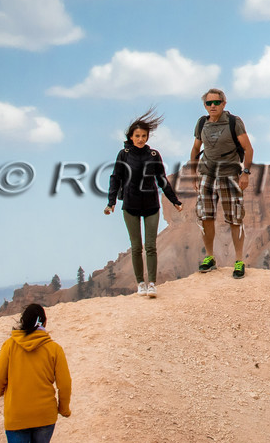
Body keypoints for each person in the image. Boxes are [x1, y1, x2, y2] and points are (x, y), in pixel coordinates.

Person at [104, 108, 183, 297]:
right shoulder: (123, 154)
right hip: (130, 205)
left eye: (144, 136)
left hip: (151, 206)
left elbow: (162, 180)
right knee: (136, 246)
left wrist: (174, 201)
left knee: (151, 246)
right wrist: (111, 202)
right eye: (137, 136)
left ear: (147, 137)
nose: (140, 139)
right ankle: (140, 283)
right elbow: (116, 178)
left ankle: (152, 284)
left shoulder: (154, 155)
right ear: (131, 137)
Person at [0, 302, 70, 443]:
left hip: (17, 413)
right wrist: (63, 409)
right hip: (44, 414)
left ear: (23, 321)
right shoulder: (54, 349)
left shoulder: (9, 345)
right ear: (44, 322)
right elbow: (65, 384)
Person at [189, 88, 253, 278]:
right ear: (205, 105)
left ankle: (239, 261)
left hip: (229, 175)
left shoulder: (234, 122)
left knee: (235, 218)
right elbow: (195, 148)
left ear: (224, 103)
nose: (213, 106)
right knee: (206, 216)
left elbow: (248, 148)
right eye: (209, 103)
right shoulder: (202, 123)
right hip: (206, 175)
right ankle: (210, 257)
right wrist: (193, 174)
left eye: (216, 102)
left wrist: (245, 173)